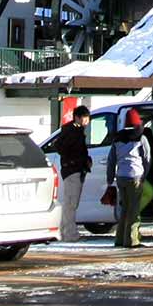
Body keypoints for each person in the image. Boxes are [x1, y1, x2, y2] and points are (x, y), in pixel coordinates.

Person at [106, 108, 151, 249]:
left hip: (121, 177)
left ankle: (119, 240)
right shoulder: (141, 138)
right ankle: (132, 241)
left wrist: (109, 179)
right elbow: (147, 159)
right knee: (134, 210)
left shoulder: (117, 139)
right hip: (135, 177)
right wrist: (145, 175)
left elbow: (111, 160)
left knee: (124, 209)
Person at [55, 104, 93, 243]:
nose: (86, 121)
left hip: (75, 169)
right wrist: (76, 160)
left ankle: (65, 231)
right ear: (77, 118)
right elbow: (61, 147)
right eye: (84, 118)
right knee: (70, 203)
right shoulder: (72, 131)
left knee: (71, 203)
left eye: (87, 118)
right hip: (72, 170)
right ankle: (69, 233)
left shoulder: (73, 130)